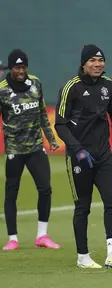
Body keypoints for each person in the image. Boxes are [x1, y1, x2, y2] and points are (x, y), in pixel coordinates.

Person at [55, 44, 112, 269]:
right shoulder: (72, 87)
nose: (97, 64)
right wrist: (77, 149)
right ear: (84, 64)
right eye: (92, 61)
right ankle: (83, 257)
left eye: (100, 60)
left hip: (103, 156)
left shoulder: (108, 85)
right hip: (79, 157)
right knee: (83, 207)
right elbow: (61, 124)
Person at [0, 49, 60, 251]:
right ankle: (13, 238)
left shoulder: (36, 83)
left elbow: (43, 113)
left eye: (23, 67)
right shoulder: (2, 89)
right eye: (17, 67)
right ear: (11, 68)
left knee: (45, 189)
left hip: (36, 147)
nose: (21, 71)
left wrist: (50, 139)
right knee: (12, 193)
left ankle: (42, 235)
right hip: (14, 150)